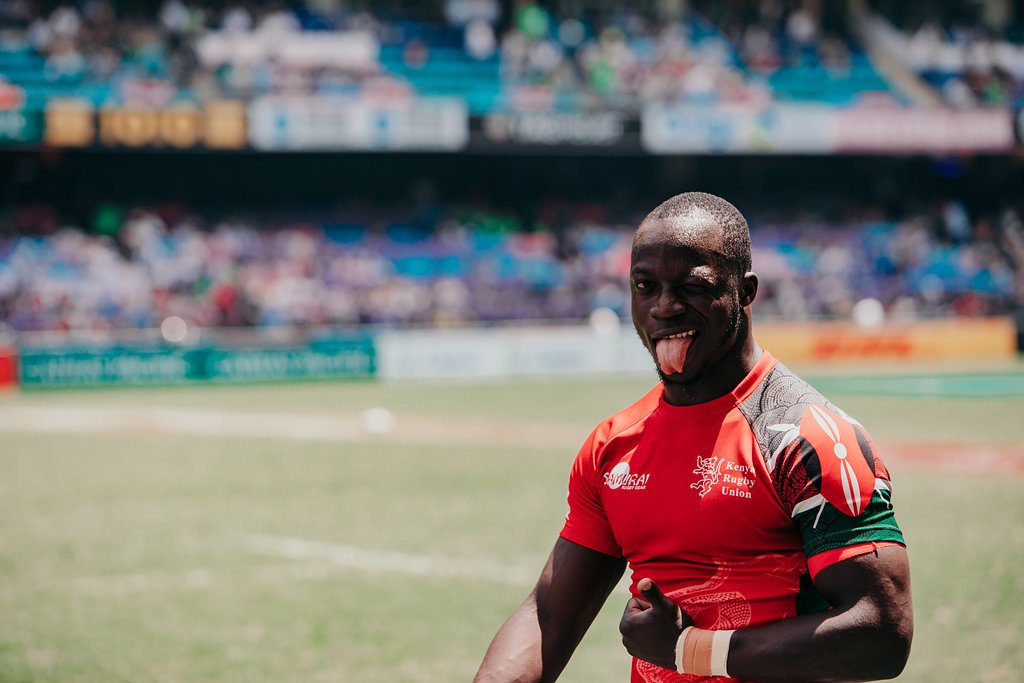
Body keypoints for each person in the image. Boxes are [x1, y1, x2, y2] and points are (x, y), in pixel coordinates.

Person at [474, 192, 913, 683]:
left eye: (692, 287)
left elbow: (882, 632)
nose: (665, 307)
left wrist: (690, 651)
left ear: (745, 291)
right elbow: (549, 617)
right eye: (646, 286)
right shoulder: (614, 446)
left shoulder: (809, 439)